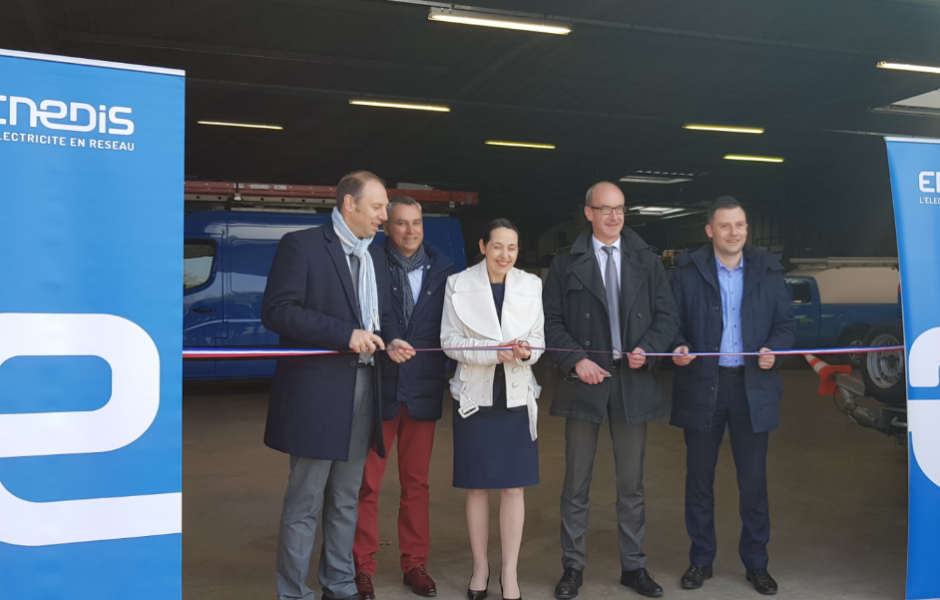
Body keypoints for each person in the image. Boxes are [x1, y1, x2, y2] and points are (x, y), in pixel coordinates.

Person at [261, 171, 412, 600]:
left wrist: (393, 338)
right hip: (316, 396)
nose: (386, 216)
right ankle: (293, 592)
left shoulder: (375, 256)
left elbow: (381, 317)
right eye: (378, 207)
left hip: (366, 386)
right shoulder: (303, 245)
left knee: (347, 497)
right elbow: (277, 311)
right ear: (350, 204)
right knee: (304, 503)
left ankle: (340, 584)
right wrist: (343, 334)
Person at [543, 182, 678, 599]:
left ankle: (634, 567)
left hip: (632, 382)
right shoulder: (566, 263)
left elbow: (667, 317)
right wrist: (574, 360)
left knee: (631, 484)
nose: (614, 217)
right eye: (605, 209)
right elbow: (549, 323)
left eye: (620, 209)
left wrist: (649, 350)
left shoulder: (647, 261)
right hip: (585, 383)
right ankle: (572, 568)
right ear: (588, 213)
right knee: (576, 483)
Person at [669, 196, 795, 595]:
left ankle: (757, 563)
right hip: (703, 385)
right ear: (709, 231)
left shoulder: (768, 270)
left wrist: (775, 348)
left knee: (754, 482)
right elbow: (669, 323)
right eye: (725, 226)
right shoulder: (687, 272)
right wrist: (678, 347)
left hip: (752, 387)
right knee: (699, 480)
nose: (734, 232)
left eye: (740, 225)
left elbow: (787, 326)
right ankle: (700, 560)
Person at [353, 196, 456, 599]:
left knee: (417, 485)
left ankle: (414, 563)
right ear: (386, 227)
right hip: (380, 387)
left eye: (416, 223)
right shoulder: (369, 262)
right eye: (401, 223)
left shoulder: (444, 268)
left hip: (424, 391)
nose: (410, 231)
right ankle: (361, 567)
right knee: (367, 485)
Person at [440, 219, 545, 600]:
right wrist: (489, 353)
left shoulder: (531, 286)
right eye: (498, 246)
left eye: (512, 248)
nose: (505, 255)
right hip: (474, 399)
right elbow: (448, 342)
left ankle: (510, 574)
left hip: (516, 396)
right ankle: (480, 568)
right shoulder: (458, 284)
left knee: (514, 488)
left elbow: (540, 341)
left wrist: (527, 351)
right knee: (477, 488)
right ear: (483, 245)